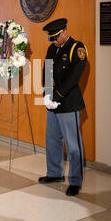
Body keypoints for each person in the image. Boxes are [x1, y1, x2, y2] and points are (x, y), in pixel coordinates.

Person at [39, 18, 88, 196]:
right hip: (52, 102)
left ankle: (75, 181)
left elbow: (75, 76)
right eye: (52, 37)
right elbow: (47, 70)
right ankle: (54, 173)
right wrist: (46, 94)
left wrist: (57, 95)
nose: (54, 40)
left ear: (65, 31)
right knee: (52, 139)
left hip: (68, 102)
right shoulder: (52, 48)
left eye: (56, 36)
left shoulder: (77, 48)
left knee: (73, 144)